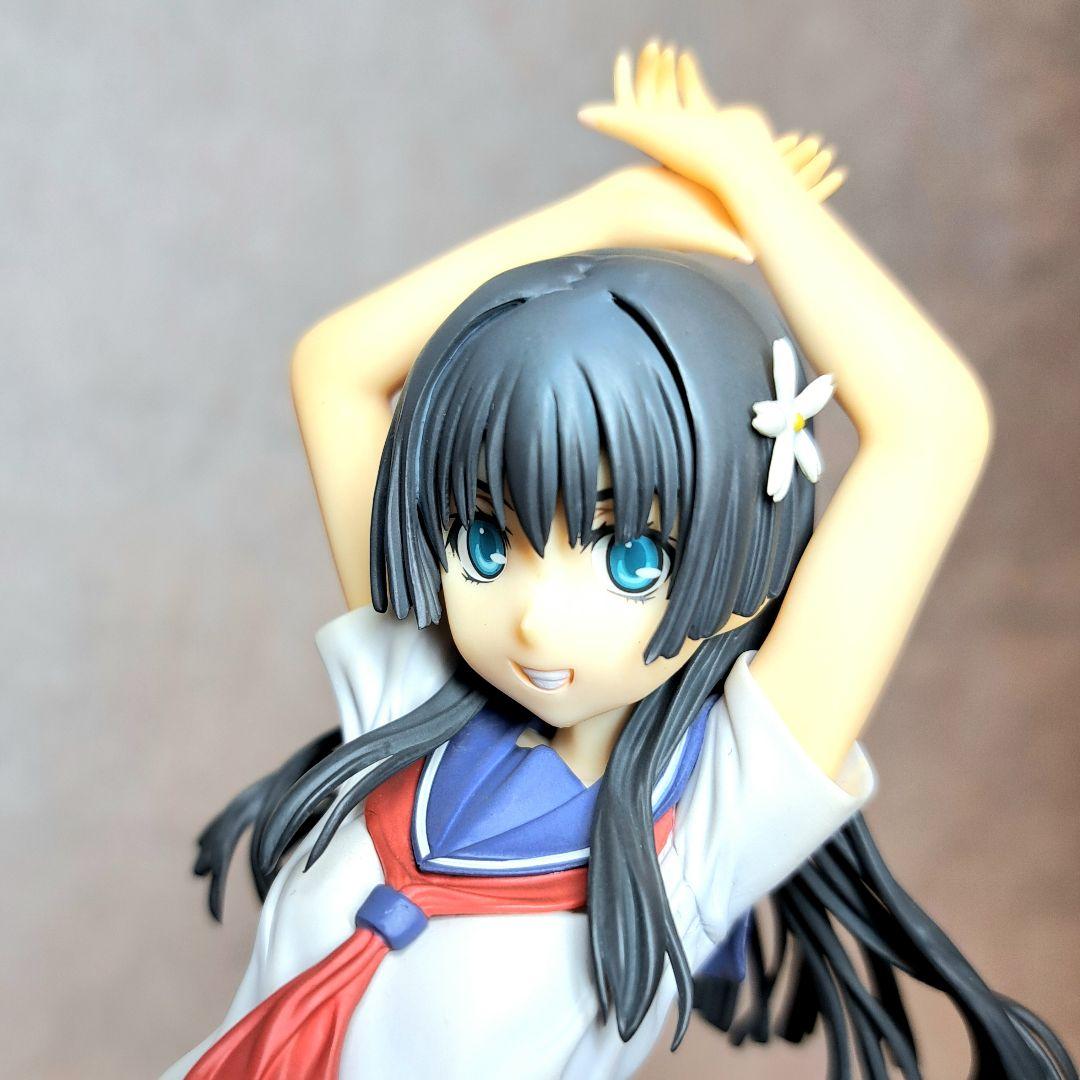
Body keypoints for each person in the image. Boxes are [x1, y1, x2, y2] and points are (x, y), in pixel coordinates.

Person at [163, 44, 1076, 1080]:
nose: (535, 619)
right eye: (485, 542)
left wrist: (755, 185)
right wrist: (607, 214)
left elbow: (931, 427)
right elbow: (333, 367)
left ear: (739, 550)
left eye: (631, 556)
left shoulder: (715, 815)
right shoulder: (415, 694)